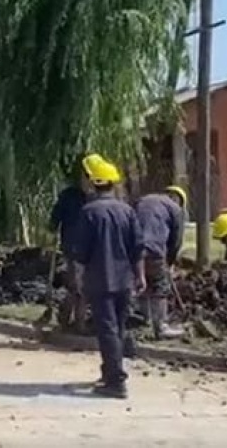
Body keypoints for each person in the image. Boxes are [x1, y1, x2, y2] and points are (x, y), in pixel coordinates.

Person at [73, 155, 145, 399]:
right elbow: (138, 247)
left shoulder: (89, 212)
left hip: (100, 280)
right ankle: (109, 372)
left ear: (93, 183)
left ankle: (116, 382)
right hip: (124, 280)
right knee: (119, 327)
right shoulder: (127, 211)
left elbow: (80, 252)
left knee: (107, 330)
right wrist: (140, 276)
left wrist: (80, 279)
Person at [134, 185, 187, 339]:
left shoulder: (142, 200)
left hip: (133, 248)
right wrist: (169, 262)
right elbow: (176, 240)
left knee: (141, 281)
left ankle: (146, 319)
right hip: (154, 249)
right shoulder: (175, 209)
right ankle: (161, 326)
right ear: (178, 199)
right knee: (159, 285)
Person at [50, 161, 90, 333]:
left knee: (80, 286)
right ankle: (75, 323)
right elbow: (55, 219)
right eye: (85, 177)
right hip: (73, 247)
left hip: (90, 248)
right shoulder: (69, 196)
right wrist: (52, 229)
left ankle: (65, 318)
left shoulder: (95, 198)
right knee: (79, 287)